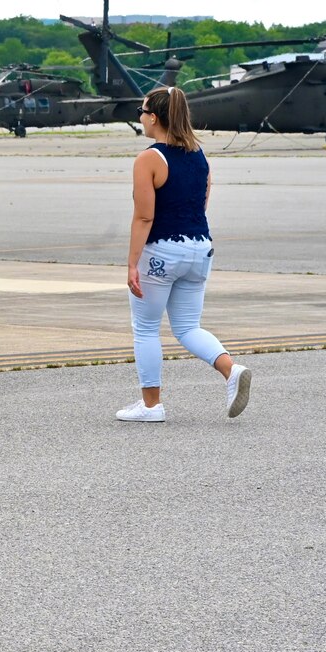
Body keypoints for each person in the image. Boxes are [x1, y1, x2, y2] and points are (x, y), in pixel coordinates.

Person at [116, 86, 250, 422]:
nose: (140, 118)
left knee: (146, 328)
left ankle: (151, 406)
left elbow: (145, 216)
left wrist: (133, 263)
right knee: (189, 327)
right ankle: (231, 370)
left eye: (141, 112)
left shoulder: (149, 159)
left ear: (155, 118)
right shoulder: (199, 155)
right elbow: (201, 203)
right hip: (199, 249)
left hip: (162, 251)